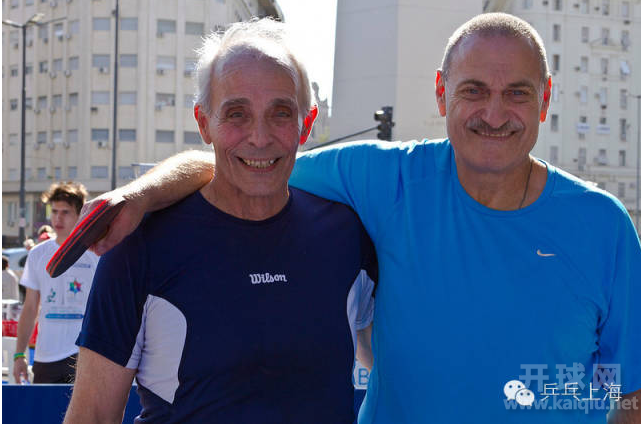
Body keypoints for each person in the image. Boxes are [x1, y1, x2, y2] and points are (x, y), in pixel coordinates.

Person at [70, 13, 641, 423]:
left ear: (545, 99)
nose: (494, 113)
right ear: (441, 93)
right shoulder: (383, 180)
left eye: (516, 93)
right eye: (473, 90)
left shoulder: (605, 227)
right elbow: (247, 164)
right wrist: (140, 197)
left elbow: (630, 395)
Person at [64, 18, 377, 424]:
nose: (259, 137)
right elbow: (91, 415)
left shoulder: (348, 236)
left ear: (307, 122)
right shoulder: (139, 246)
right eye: (237, 114)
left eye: (281, 113)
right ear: (203, 123)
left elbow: (402, 367)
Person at [13, 182, 99, 384]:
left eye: (65, 212)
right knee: (43, 406)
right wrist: (19, 354)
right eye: (55, 211)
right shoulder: (37, 254)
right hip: (46, 356)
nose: (58, 218)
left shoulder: (95, 253)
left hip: (83, 354)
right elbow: (30, 307)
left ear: (80, 214)